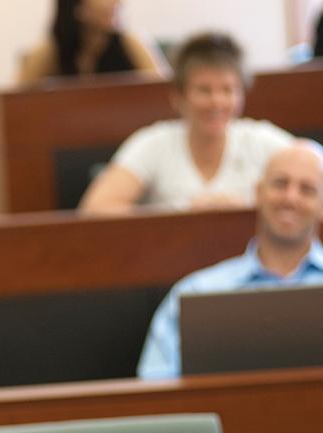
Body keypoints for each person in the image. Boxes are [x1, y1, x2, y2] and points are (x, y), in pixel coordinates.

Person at [137, 140, 323, 379]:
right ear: (258, 193)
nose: (290, 198)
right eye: (280, 183)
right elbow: (155, 389)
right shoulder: (195, 293)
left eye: (307, 189)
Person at [79, 32, 295, 213]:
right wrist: (181, 214)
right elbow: (95, 208)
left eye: (228, 90)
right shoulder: (154, 143)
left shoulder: (261, 140)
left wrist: (255, 207)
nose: (216, 102)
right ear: (178, 96)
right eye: (204, 90)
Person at [18, 0, 168, 85]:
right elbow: (14, 105)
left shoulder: (130, 43)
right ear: (77, 7)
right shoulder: (51, 51)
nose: (117, 2)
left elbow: (163, 90)